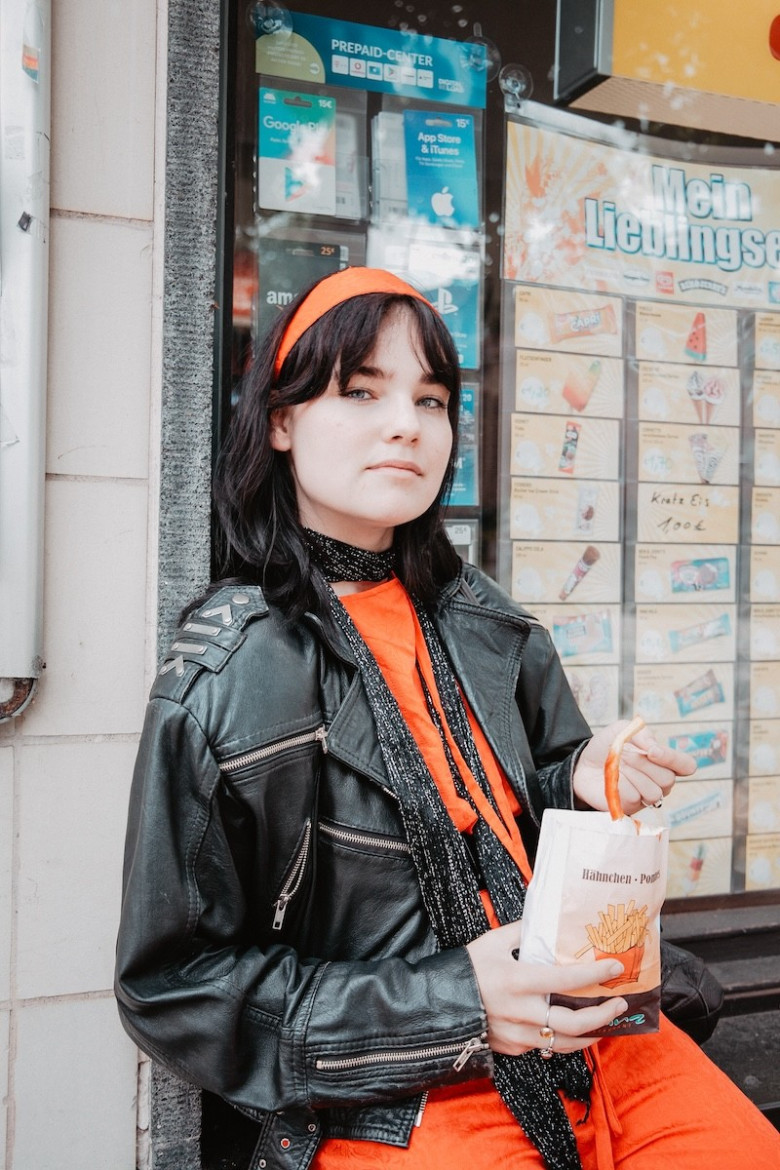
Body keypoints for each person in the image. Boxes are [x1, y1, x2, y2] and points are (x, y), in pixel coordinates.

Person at [116, 267, 780, 1170]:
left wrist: (582, 778)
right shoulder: (227, 678)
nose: (407, 424)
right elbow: (172, 990)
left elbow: (514, 818)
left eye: (431, 399)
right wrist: (457, 1003)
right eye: (361, 391)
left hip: (597, 1031)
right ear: (280, 421)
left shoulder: (485, 619)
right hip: (403, 1094)